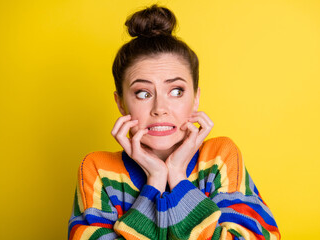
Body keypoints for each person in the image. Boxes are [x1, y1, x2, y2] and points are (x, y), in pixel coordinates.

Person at [68, 4, 280, 240]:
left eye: (176, 91)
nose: (160, 109)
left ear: (196, 98)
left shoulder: (219, 157)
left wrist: (177, 175)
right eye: (143, 93)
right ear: (120, 103)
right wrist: (155, 180)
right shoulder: (99, 170)